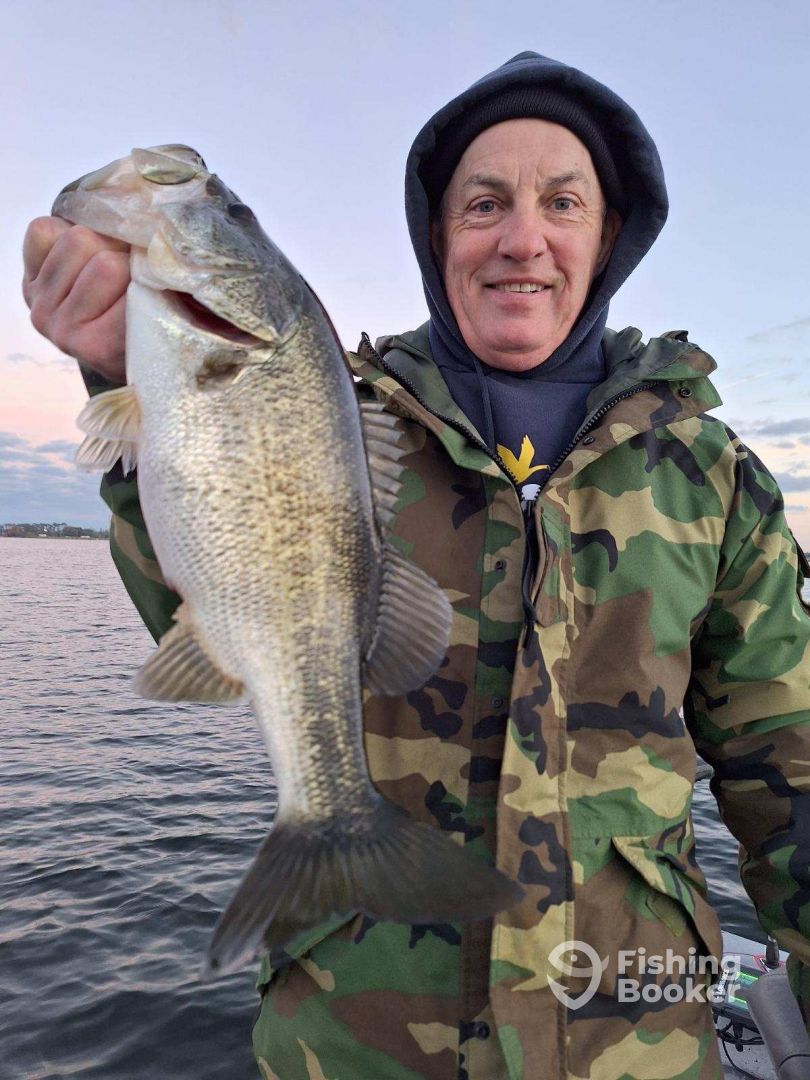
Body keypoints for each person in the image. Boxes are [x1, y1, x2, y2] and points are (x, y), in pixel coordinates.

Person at [22, 50, 810, 1080]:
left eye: (561, 202)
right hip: (355, 1043)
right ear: (437, 236)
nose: (522, 239)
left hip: (634, 1041)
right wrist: (118, 371)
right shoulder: (331, 405)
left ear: (607, 234)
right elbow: (190, 585)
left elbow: (789, 765)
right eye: (483, 204)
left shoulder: (712, 475)